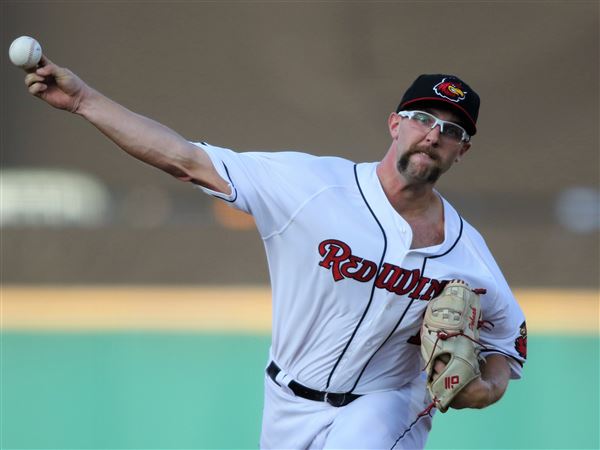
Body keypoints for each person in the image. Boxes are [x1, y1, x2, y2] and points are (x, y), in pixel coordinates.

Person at [23, 57, 527, 449]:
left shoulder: (468, 256)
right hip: (286, 400)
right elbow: (184, 159)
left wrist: (487, 388)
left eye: (453, 130)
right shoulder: (311, 186)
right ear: (395, 124)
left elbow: (507, 344)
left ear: (463, 151)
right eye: (423, 118)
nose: (434, 135)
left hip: (387, 404)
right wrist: (84, 100)